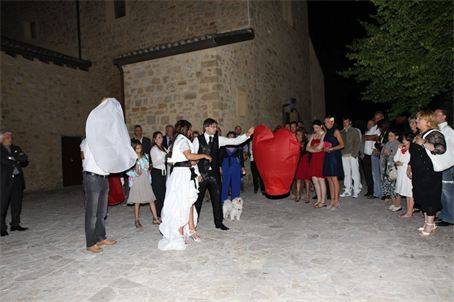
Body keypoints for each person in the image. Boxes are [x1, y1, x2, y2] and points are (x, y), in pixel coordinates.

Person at [82, 98, 137, 253]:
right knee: (92, 212)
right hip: (92, 177)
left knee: (102, 212)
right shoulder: (87, 141)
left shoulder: (105, 141)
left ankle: (101, 237)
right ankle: (90, 242)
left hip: (103, 178)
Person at [158, 120, 211, 250]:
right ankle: (180, 233)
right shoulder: (182, 140)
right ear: (185, 129)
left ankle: (191, 229)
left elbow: (187, 159)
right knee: (181, 203)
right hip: (181, 175)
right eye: (190, 129)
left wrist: (193, 165)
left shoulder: (182, 140)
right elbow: (188, 156)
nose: (191, 131)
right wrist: (204, 155)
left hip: (186, 172)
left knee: (190, 201)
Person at [193, 118, 254, 230]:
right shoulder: (197, 140)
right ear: (206, 127)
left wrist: (246, 135)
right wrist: (196, 174)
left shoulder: (219, 139)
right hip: (202, 175)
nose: (215, 128)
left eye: (216, 126)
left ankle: (219, 222)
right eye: (213, 126)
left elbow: (234, 141)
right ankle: (193, 223)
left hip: (214, 175)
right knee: (198, 201)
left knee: (217, 199)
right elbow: (192, 158)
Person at [408, 110, 446, 236]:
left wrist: (424, 143)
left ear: (428, 121)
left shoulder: (434, 133)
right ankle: (427, 222)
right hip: (419, 171)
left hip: (429, 172)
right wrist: (409, 166)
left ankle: (430, 224)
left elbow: (441, 149)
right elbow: (413, 153)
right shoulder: (419, 134)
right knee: (421, 195)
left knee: (430, 196)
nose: (417, 120)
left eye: (420, 119)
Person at [0, 131, 28, 237]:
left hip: (17, 180)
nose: (10, 139)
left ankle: (15, 224)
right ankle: (2, 228)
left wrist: (13, 158)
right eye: (7, 138)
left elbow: (24, 158)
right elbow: (4, 161)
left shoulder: (16, 148)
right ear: (2, 139)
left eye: (11, 137)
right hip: (5, 181)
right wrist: (15, 159)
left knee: (17, 203)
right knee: (2, 205)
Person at [127, 142, 160, 227]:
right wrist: (135, 173)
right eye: (137, 148)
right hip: (136, 180)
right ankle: (137, 220)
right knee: (137, 201)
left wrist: (148, 168)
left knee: (151, 199)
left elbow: (148, 167)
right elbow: (127, 171)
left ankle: (155, 218)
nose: (139, 150)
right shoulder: (131, 159)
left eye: (140, 148)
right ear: (133, 149)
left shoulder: (145, 156)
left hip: (145, 179)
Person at [434, 108, 454, 226]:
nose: (435, 116)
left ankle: (450, 217)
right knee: (442, 191)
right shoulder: (439, 130)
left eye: (437, 114)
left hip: (448, 165)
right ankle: (445, 214)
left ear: (444, 117)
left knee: (448, 191)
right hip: (442, 165)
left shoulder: (448, 131)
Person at [323, 116, 345, 209]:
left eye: (328, 121)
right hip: (328, 156)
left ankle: (336, 201)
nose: (326, 123)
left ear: (332, 122)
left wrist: (331, 148)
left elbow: (342, 145)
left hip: (334, 156)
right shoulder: (327, 132)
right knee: (329, 178)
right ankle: (332, 200)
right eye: (325, 122)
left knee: (334, 178)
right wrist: (325, 148)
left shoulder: (336, 131)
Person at [340, 117, 362, 198]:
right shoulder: (341, 132)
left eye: (347, 122)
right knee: (346, 174)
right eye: (344, 122)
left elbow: (358, 143)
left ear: (350, 122)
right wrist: (342, 153)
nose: (345, 123)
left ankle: (356, 191)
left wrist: (354, 155)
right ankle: (347, 190)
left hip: (352, 155)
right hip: (344, 156)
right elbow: (340, 143)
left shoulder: (354, 131)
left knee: (355, 174)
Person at [393, 132, 414, 218]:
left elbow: (411, 161)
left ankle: (409, 212)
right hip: (401, 172)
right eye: (403, 139)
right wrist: (398, 150)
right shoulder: (402, 148)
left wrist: (403, 164)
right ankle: (409, 210)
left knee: (410, 192)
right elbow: (395, 159)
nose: (403, 141)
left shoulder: (413, 149)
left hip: (407, 172)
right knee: (406, 192)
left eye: (405, 139)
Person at [220, 131, 244, 203]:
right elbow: (219, 157)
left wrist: (242, 167)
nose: (231, 138)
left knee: (236, 184)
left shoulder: (238, 146)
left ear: (234, 138)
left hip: (236, 166)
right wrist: (219, 167)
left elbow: (241, 158)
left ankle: (235, 201)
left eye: (232, 137)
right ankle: (223, 202)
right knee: (225, 184)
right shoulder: (223, 146)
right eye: (229, 136)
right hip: (225, 166)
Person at [307, 120, 327, 208]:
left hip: (321, 159)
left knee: (321, 179)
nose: (315, 129)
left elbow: (320, 147)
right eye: (314, 128)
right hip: (314, 159)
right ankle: (319, 200)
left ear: (321, 126)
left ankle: (323, 201)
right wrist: (314, 148)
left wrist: (313, 148)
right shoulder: (313, 135)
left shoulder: (324, 135)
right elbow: (307, 148)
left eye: (317, 127)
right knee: (314, 180)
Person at [366, 111, 385, 199]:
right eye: (375, 118)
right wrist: (371, 137)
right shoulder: (374, 127)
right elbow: (368, 136)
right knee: (375, 174)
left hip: (380, 152)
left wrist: (371, 137)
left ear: (382, 118)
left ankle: (384, 193)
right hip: (373, 153)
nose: (376, 119)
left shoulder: (383, 127)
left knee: (382, 173)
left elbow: (376, 138)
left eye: (378, 118)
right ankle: (377, 193)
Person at [150, 131, 168, 219]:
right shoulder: (154, 149)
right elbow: (155, 163)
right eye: (159, 137)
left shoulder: (163, 148)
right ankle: (157, 214)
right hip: (157, 172)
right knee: (158, 193)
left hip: (163, 173)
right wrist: (165, 157)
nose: (161, 139)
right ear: (155, 139)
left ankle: (163, 212)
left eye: (161, 137)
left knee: (163, 193)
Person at [380, 129, 400, 206]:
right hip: (386, 166)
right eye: (388, 135)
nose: (389, 137)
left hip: (393, 168)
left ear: (397, 137)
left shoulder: (398, 144)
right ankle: (391, 199)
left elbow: (398, 157)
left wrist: (389, 154)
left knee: (394, 185)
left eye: (391, 136)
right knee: (387, 183)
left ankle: (396, 203)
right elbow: (382, 154)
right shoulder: (387, 143)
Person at [295, 128, 311, 203]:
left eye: (299, 134)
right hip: (298, 162)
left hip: (304, 162)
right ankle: (298, 194)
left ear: (303, 135)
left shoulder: (306, 142)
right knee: (298, 179)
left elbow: (306, 152)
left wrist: (301, 146)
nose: (298, 136)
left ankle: (308, 195)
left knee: (306, 180)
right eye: (297, 134)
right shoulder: (295, 142)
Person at [362, 120, 376, 197]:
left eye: (371, 124)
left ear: (374, 125)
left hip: (372, 155)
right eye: (368, 123)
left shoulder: (375, 131)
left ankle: (373, 191)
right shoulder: (367, 131)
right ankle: (369, 190)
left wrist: (366, 136)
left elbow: (373, 139)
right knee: (367, 174)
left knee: (372, 174)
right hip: (366, 155)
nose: (369, 125)